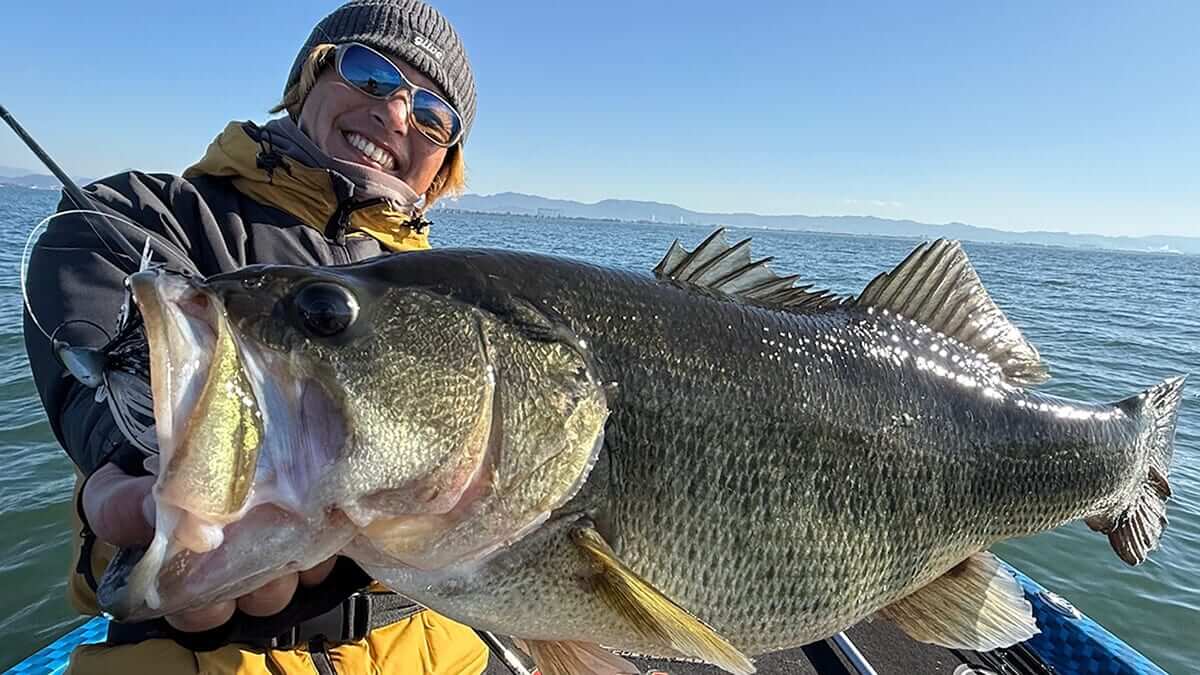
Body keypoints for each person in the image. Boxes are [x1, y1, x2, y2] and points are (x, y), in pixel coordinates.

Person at [22, 1, 508, 673]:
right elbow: (89, 257)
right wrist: (146, 456)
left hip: (433, 646)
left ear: (444, 162)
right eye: (369, 74)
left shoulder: (456, 298)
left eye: (432, 115)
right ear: (307, 80)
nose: (396, 114)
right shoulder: (167, 217)